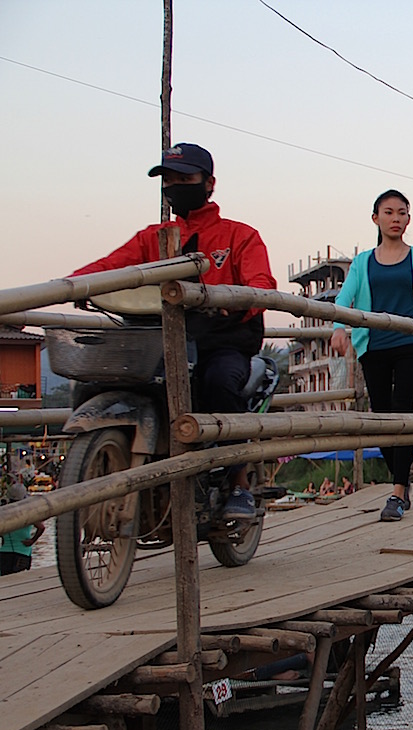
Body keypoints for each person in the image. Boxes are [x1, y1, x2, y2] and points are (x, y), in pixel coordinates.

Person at [71, 143, 277, 521]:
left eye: (185, 178)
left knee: (219, 382)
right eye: (169, 180)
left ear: (209, 183)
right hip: (161, 340)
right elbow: (111, 266)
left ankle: (239, 483)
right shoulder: (153, 237)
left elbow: (261, 284)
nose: (176, 186)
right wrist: (74, 284)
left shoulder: (239, 235)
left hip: (222, 340)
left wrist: (231, 301)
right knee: (99, 380)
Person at [332, 190, 413, 521]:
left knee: (401, 413)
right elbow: (344, 299)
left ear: (408, 219)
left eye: (402, 212)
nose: (395, 218)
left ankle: (396, 493)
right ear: (375, 218)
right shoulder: (362, 262)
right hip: (373, 346)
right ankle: (403, 482)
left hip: (410, 345)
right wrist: (338, 328)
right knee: (381, 419)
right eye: (389, 212)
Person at [0, 483, 45, 576]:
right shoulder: (27, 513)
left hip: (4, 553)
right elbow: (41, 527)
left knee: (5, 580)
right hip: (22, 553)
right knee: (20, 580)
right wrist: (32, 540)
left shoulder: (3, 512)